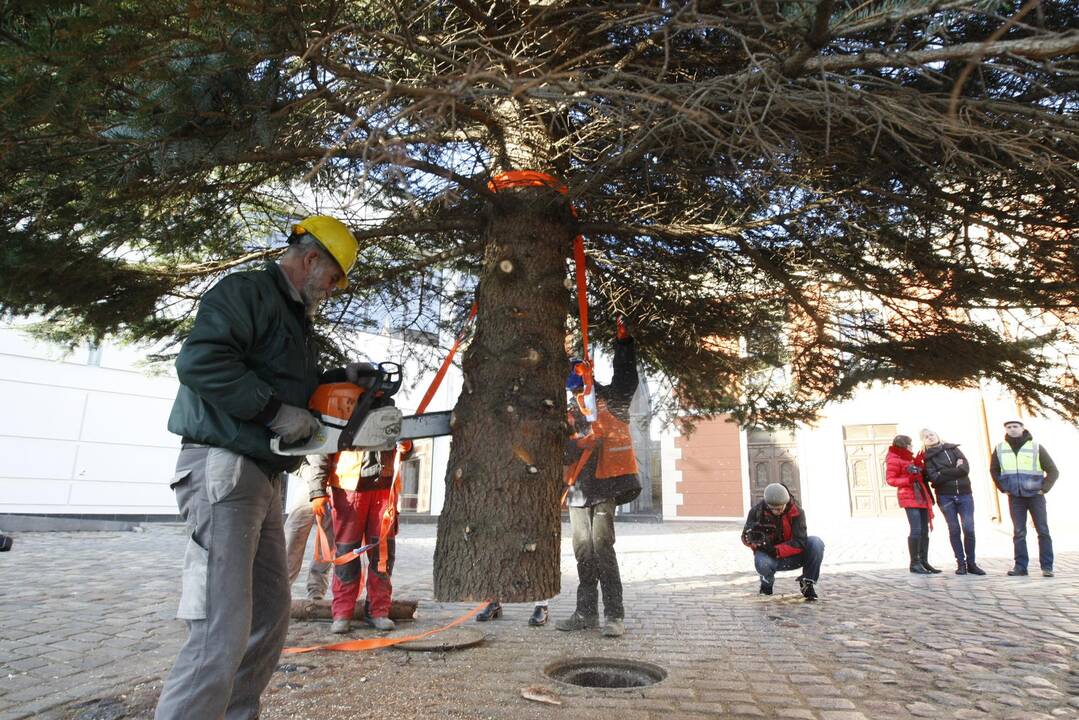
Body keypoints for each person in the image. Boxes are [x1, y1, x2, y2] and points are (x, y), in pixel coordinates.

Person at [156, 215, 363, 720]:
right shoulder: (246, 291)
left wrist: (340, 379)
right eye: (334, 277)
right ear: (311, 259)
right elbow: (201, 362)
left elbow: (286, 382)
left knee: (269, 615)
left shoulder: (294, 320)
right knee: (220, 626)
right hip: (224, 466)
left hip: (265, 477)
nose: (333, 290)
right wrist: (272, 410)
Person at [555, 320, 641, 637]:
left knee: (602, 546)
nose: (577, 388)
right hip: (578, 489)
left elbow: (627, 377)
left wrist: (624, 344)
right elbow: (562, 451)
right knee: (583, 551)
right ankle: (585, 613)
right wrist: (575, 444)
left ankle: (614, 616)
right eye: (573, 385)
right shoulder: (567, 412)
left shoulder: (612, 399)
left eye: (580, 381)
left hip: (607, 484)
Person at [308, 442, 411, 633]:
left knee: (383, 555)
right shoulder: (340, 412)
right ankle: (342, 613)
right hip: (348, 488)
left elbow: (406, 449)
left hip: (384, 486)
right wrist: (317, 490)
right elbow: (322, 447)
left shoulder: (390, 412)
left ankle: (378, 611)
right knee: (346, 554)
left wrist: (407, 447)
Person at [990, 420, 1059, 577]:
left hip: (1036, 496)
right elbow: (994, 470)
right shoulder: (1000, 448)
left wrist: (1044, 489)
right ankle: (1020, 567)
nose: (1012, 429)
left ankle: (1047, 567)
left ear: (1022, 428)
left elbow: (1053, 471)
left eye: (1015, 426)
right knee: (1019, 532)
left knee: (1043, 530)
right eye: (1009, 427)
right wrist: (1003, 487)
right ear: (1005, 430)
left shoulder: (1035, 447)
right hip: (1015, 497)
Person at [741, 483, 825, 601]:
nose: (776, 511)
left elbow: (799, 541)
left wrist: (775, 550)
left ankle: (807, 582)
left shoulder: (797, 512)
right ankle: (766, 584)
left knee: (816, 542)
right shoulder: (756, 512)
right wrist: (750, 539)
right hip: (768, 557)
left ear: (786, 503)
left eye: (780, 508)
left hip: (793, 555)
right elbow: (746, 538)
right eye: (773, 508)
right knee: (761, 560)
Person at [920, 429, 985, 576]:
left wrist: (943, 472)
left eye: (931, 434)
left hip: (964, 494)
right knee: (954, 529)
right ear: (923, 441)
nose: (929, 437)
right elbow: (934, 478)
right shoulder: (927, 458)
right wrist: (953, 470)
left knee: (969, 528)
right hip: (945, 496)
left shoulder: (953, 449)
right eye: (926, 437)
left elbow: (964, 469)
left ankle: (972, 563)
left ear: (937, 435)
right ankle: (960, 563)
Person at [886, 434, 940, 574]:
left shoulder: (909, 457)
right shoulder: (894, 458)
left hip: (920, 495)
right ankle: (914, 563)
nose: (912, 446)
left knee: (924, 529)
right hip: (908, 496)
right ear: (904, 445)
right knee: (916, 529)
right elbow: (891, 480)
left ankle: (924, 561)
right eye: (910, 444)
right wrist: (908, 480)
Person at [283, 468, 335, 600]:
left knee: (328, 541)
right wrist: (312, 478)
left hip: (336, 480)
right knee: (294, 536)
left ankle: (316, 591)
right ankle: (280, 588)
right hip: (310, 479)